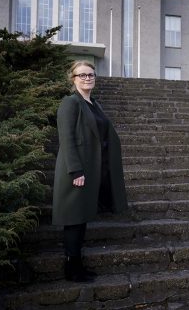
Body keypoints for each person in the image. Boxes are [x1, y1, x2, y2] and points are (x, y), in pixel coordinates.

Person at [52, 60, 128, 282]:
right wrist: (75, 171)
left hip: (91, 169)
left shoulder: (94, 104)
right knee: (74, 219)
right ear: (73, 79)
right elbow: (66, 139)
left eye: (91, 74)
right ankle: (71, 268)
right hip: (75, 170)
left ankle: (77, 265)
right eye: (82, 75)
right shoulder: (70, 102)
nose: (87, 78)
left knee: (82, 217)